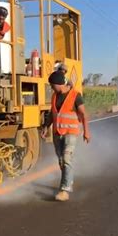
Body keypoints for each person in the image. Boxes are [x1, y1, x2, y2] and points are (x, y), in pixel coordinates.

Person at [41, 71, 91, 202]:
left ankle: (65, 190)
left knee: (67, 158)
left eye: (52, 85)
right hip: (57, 133)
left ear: (59, 84)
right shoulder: (54, 96)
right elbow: (53, 113)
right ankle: (67, 181)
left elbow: (84, 114)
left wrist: (86, 131)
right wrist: (46, 126)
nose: (51, 87)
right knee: (62, 161)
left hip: (71, 132)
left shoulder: (75, 95)